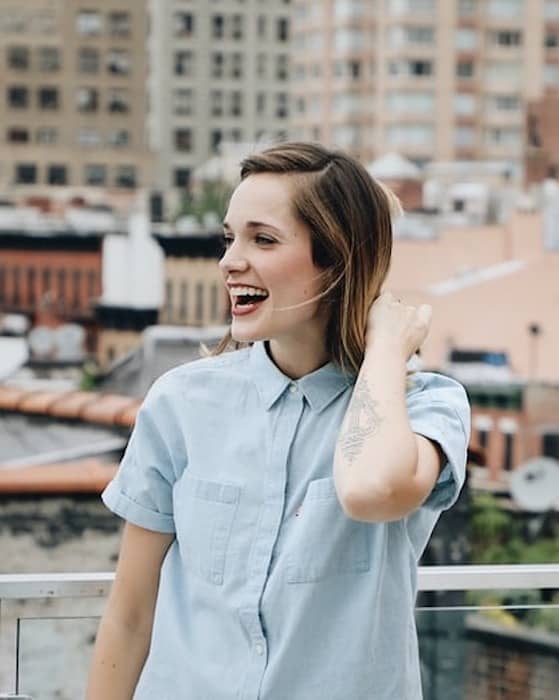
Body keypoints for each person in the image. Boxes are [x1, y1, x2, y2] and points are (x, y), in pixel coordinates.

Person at [86, 142, 470, 699]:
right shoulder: (180, 403)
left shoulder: (425, 406)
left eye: (262, 239)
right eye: (229, 238)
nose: (230, 261)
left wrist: (386, 347)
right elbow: (129, 614)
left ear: (337, 261)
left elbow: (370, 490)